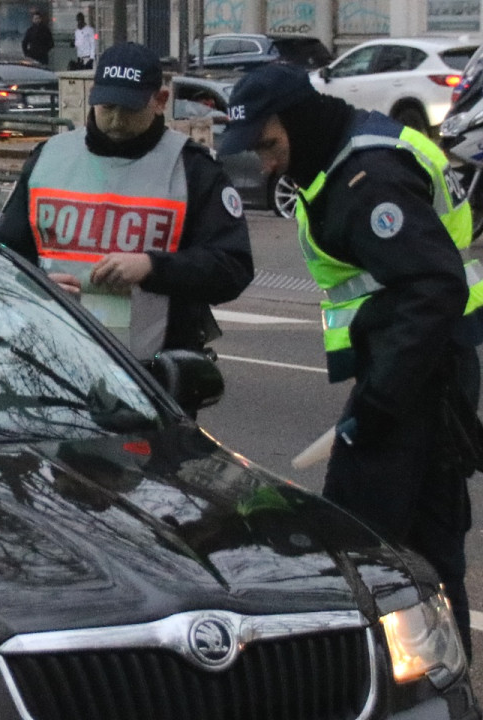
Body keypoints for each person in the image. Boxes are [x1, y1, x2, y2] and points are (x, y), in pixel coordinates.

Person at [219, 63, 483, 661]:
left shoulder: (369, 178)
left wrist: (378, 402)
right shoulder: (347, 153)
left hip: (418, 373)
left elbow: (431, 287)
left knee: (364, 540)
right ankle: (442, 680)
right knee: (426, 540)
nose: (265, 165)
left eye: (270, 145)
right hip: (415, 363)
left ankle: (389, 679)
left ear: (303, 121)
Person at [0, 42, 253, 371]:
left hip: (154, 379)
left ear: (160, 101)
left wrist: (152, 268)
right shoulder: (48, 160)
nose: (115, 120)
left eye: (129, 109)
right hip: (57, 365)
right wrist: (35, 284)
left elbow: (232, 268)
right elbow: (1, 257)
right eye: (107, 106)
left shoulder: (192, 169)